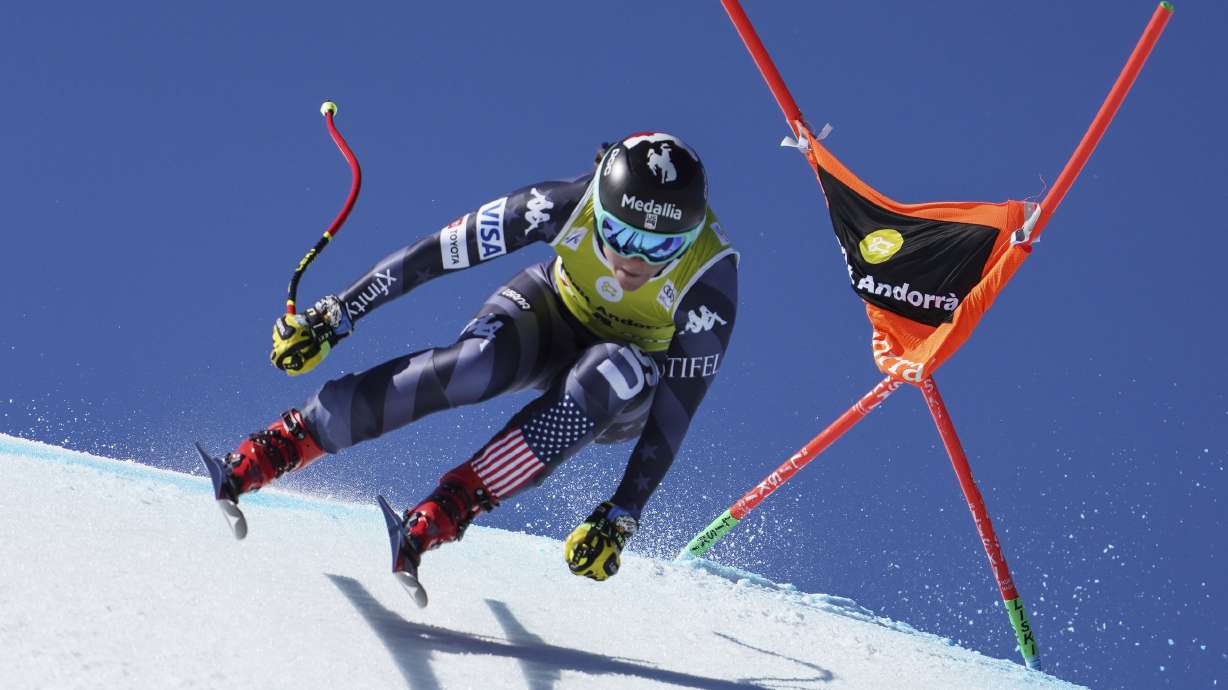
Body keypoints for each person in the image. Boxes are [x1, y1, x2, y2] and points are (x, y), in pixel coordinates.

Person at [203, 131, 738, 592]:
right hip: (553, 310)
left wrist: (623, 512)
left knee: (612, 371)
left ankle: (454, 504)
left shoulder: (708, 281)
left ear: (690, 238)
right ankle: (287, 442)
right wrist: (337, 315)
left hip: (626, 384)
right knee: (475, 364)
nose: (632, 264)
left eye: (659, 248)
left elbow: (674, 412)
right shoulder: (561, 205)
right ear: (599, 206)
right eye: (619, 236)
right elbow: (435, 253)